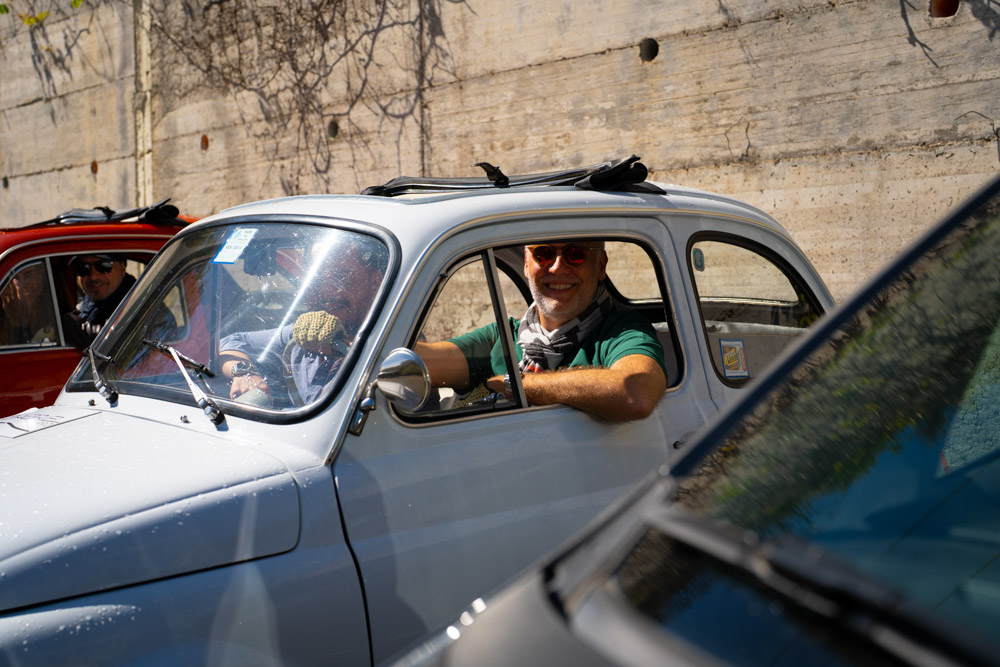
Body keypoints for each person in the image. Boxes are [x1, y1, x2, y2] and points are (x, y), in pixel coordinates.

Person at [415, 241, 667, 422]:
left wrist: (515, 385)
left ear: (600, 265)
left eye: (575, 254)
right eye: (543, 254)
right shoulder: (504, 336)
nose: (557, 268)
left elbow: (636, 393)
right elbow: (425, 363)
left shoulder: (621, 332)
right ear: (527, 264)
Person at [219, 237, 386, 406]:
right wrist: (244, 373)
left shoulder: (390, 338)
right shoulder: (308, 331)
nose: (326, 292)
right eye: (317, 280)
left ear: (375, 282)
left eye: (342, 278)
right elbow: (231, 342)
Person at [63, 254, 136, 348]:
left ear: (122, 268)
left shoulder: (139, 304)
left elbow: (118, 341)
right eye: (83, 268)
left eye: (104, 266)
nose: (93, 276)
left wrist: (72, 327)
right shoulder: (84, 307)